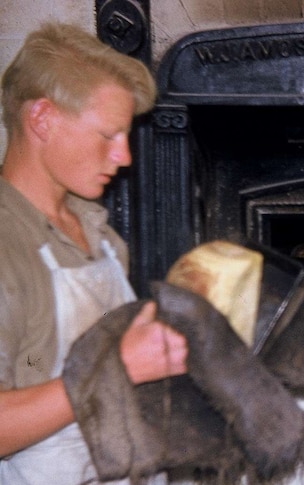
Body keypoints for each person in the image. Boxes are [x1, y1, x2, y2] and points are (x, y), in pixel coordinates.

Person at [0, 22, 188, 484]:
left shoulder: (99, 234)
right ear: (41, 119)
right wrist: (116, 368)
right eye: (108, 135)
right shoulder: (7, 243)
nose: (124, 157)